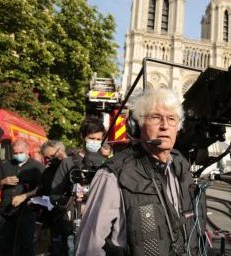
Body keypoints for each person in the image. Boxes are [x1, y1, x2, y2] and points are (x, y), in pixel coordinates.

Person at [75, 88, 209, 256]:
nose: (165, 126)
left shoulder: (181, 168)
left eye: (171, 119)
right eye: (155, 117)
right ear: (136, 127)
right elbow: (88, 248)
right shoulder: (112, 175)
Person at [0, 139, 44, 256]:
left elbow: (41, 188)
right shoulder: (5, 165)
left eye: (21, 152)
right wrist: (3, 182)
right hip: (6, 212)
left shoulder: (37, 167)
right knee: (4, 244)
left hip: (27, 212)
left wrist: (25, 196)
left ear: (27, 151)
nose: (18, 155)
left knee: (26, 245)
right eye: (15, 153)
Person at [50, 117, 106, 208]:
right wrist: (71, 201)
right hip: (74, 216)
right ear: (82, 136)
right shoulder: (68, 163)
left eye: (98, 139)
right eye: (91, 138)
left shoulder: (106, 163)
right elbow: (55, 195)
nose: (95, 142)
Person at [38, 140, 71, 256]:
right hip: (51, 218)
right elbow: (42, 192)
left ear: (60, 152)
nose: (50, 160)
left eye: (52, 156)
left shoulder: (71, 165)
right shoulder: (47, 172)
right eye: (47, 158)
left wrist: (66, 161)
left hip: (68, 218)